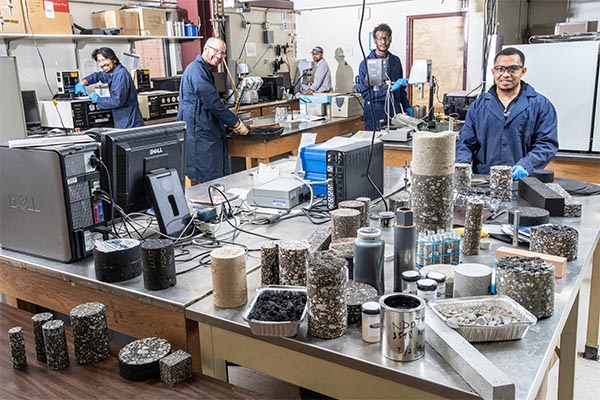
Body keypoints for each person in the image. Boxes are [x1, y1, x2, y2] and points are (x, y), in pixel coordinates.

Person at [455, 47, 558, 180]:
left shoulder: (541, 105)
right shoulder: (478, 106)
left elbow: (546, 144)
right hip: (484, 179)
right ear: (493, 71)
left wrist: (526, 166)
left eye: (513, 69)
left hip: (522, 181)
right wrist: (463, 164)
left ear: (523, 71)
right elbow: (465, 142)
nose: (506, 74)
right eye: (500, 69)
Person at [177, 37, 249, 184]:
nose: (219, 56)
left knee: (215, 179)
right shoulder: (197, 71)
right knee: (209, 182)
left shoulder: (203, 70)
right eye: (216, 51)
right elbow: (213, 104)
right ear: (205, 49)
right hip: (201, 137)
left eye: (222, 54)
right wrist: (237, 124)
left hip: (206, 132)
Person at [357, 23, 412, 131]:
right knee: (375, 145)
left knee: (395, 144)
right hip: (375, 113)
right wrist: (389, 90)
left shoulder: (395, 61)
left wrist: (406, 106)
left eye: (386, 38)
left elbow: (401, 91)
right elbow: (366, 94)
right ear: (374, 40)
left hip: (394, 112)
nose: (383, 42)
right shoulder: (365, 64)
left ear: (390, 39)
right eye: (380, 38)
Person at [74, 47, 144, 129]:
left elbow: (116, 101)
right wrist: (83, 82)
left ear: (114, 59)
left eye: (104, 59)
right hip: (122, 120)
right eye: (99, 61)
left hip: (129, 121)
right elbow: (99, 75)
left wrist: (98, 99)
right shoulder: (112, 73)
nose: (102, 64)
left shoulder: (120, 75)